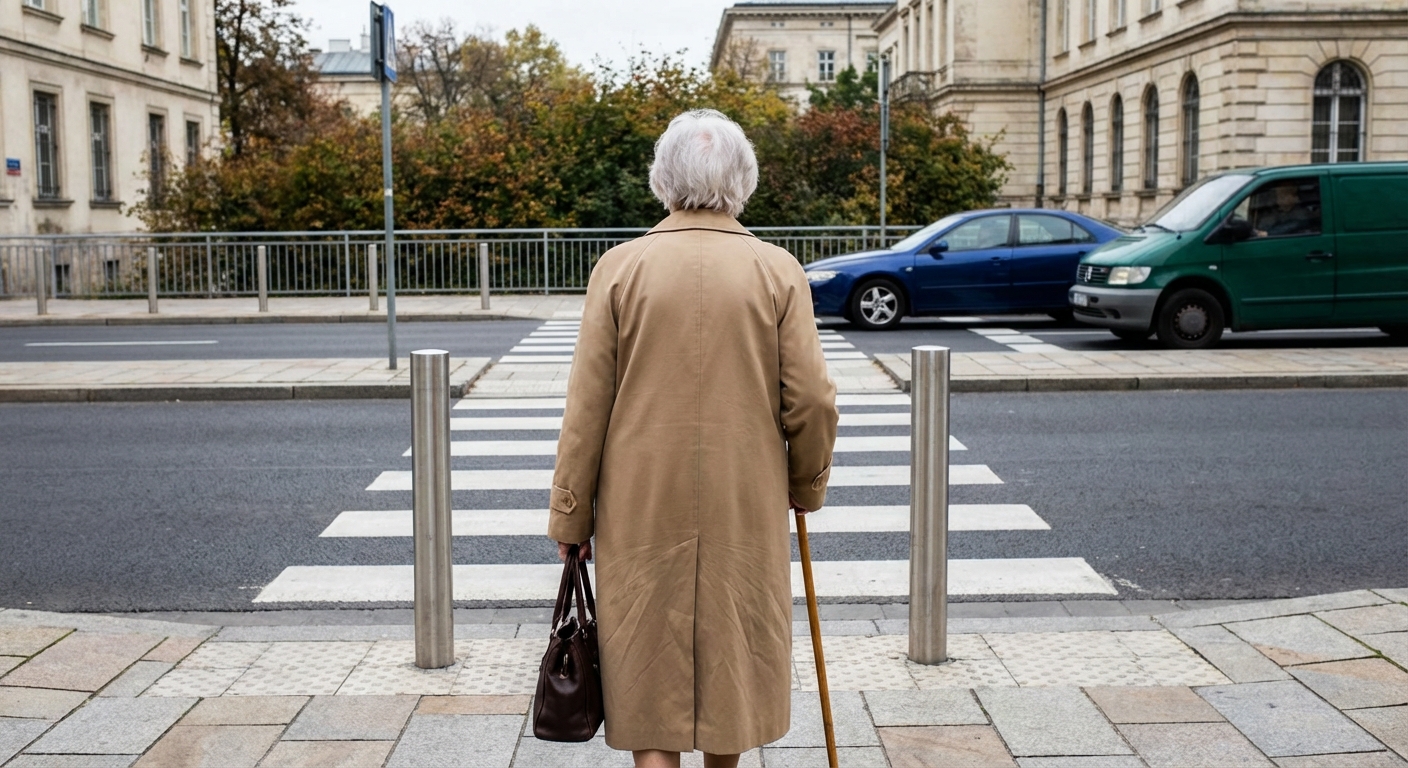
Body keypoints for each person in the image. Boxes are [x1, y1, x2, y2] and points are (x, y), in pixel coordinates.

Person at [547, 109, 839, 768]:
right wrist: (804, 485)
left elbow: (587, 408)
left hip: (641, 502)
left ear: (664, 180)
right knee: (734, 654)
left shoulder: (621, 269)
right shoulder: (777, 270)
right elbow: (814, 399)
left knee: (648, 666)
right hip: (744, 497)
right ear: (743, 180)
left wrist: (570, 512)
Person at [1252, 181, 1318, 237]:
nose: (1278, 200)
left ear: (1294, 197)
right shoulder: (1277, 212)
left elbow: (1294, 225)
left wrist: (1268, 233)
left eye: (1282, 196)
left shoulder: (1302, 213)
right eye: (1278, 196)